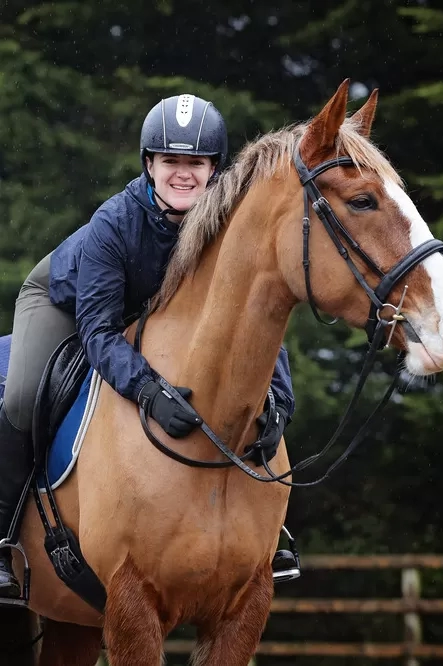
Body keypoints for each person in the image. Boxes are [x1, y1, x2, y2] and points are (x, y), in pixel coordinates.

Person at [0, 94, 297, 598]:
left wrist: (279, 405)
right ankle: (3, 538)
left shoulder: (226, 225)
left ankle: (273, 533)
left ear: (214, 169)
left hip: (149, 309)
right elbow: (98, 330)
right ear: (149, 165)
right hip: (69, 300)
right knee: (22, 397)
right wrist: (148, 391)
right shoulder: (114, 223)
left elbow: (253, 323)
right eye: (170, 162)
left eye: (195, 164)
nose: (183, 175)